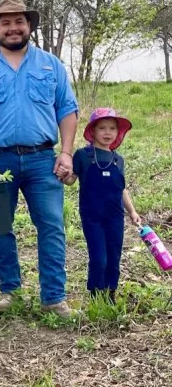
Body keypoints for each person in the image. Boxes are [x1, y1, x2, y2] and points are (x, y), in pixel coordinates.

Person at [0, 0, 79, 319]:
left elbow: (67, 109)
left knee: (53, 226)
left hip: (42, 159)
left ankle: (54, 298)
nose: (13, 28)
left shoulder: (51, 65)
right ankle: (11, 292)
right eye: (6, 23)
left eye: (19, 22)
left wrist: (66, 153)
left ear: (29, 26)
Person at [64, 108, 142, 299]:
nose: (107, 133)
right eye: (102, 128)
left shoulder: (118, 160)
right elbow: (71, 179)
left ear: (118, 132)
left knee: (114, 256)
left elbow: (121, 189)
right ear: (93, 131)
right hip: (92, 216)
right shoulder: (83, 155)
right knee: (99, 257)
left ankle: (111, 293)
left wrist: (132, 212)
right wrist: (64, 175)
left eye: (112, 128)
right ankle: (96, 294)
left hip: (115, 216)